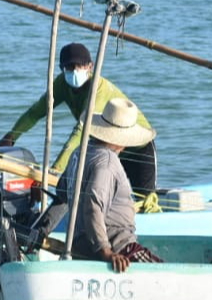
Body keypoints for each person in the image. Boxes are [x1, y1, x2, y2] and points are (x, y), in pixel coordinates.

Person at [0, 42, 158, 207]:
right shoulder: (61, 84)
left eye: (79, 66)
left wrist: (52, 172)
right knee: (102, 194)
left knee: (145, 201)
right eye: (69, 68)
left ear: (90, 66)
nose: (74, 71)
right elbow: (36, 112)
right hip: (108, 146)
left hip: (138, 147)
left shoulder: (97, 89)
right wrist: (11, 136)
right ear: (62, 69)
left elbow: (80, 132)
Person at [60, 97, 163, 272]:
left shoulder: (79, 153)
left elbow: (62, 192)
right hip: (118, 246)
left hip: (81, 243)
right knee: (164, 273)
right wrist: (106, 251)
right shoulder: (107, 161)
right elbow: (93, 205)